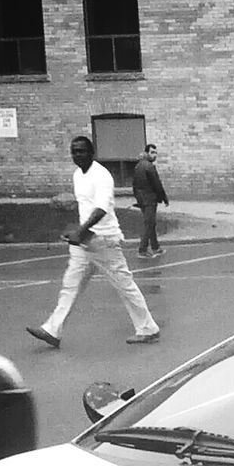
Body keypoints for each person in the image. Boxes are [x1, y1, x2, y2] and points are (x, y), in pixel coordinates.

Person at [27, 136, 161, 349]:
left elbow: (101, 208)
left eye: (81, 151)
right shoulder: (77, 175)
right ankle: (53, 330)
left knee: (124, 286)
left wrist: (81, 231)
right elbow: (86, 208)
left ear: (92, 153)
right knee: (70, 286)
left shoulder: (102, 176)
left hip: (104, 240)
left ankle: (148, 328)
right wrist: (79, 233)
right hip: (85, 242)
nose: (77, 155)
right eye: (74, 152)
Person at [131, 143, 169, 258]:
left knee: (150, 223)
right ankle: (142, 250)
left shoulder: (138, 166)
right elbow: (157, 184)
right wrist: (164, 197)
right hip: (150, 199)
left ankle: (155, 247)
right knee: (149, 224)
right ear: (147, 153)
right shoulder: (149, 167)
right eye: (152, 152)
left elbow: (134, 185)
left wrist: (138, 199)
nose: (155, 155)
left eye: (155, 152)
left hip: (142, 200)